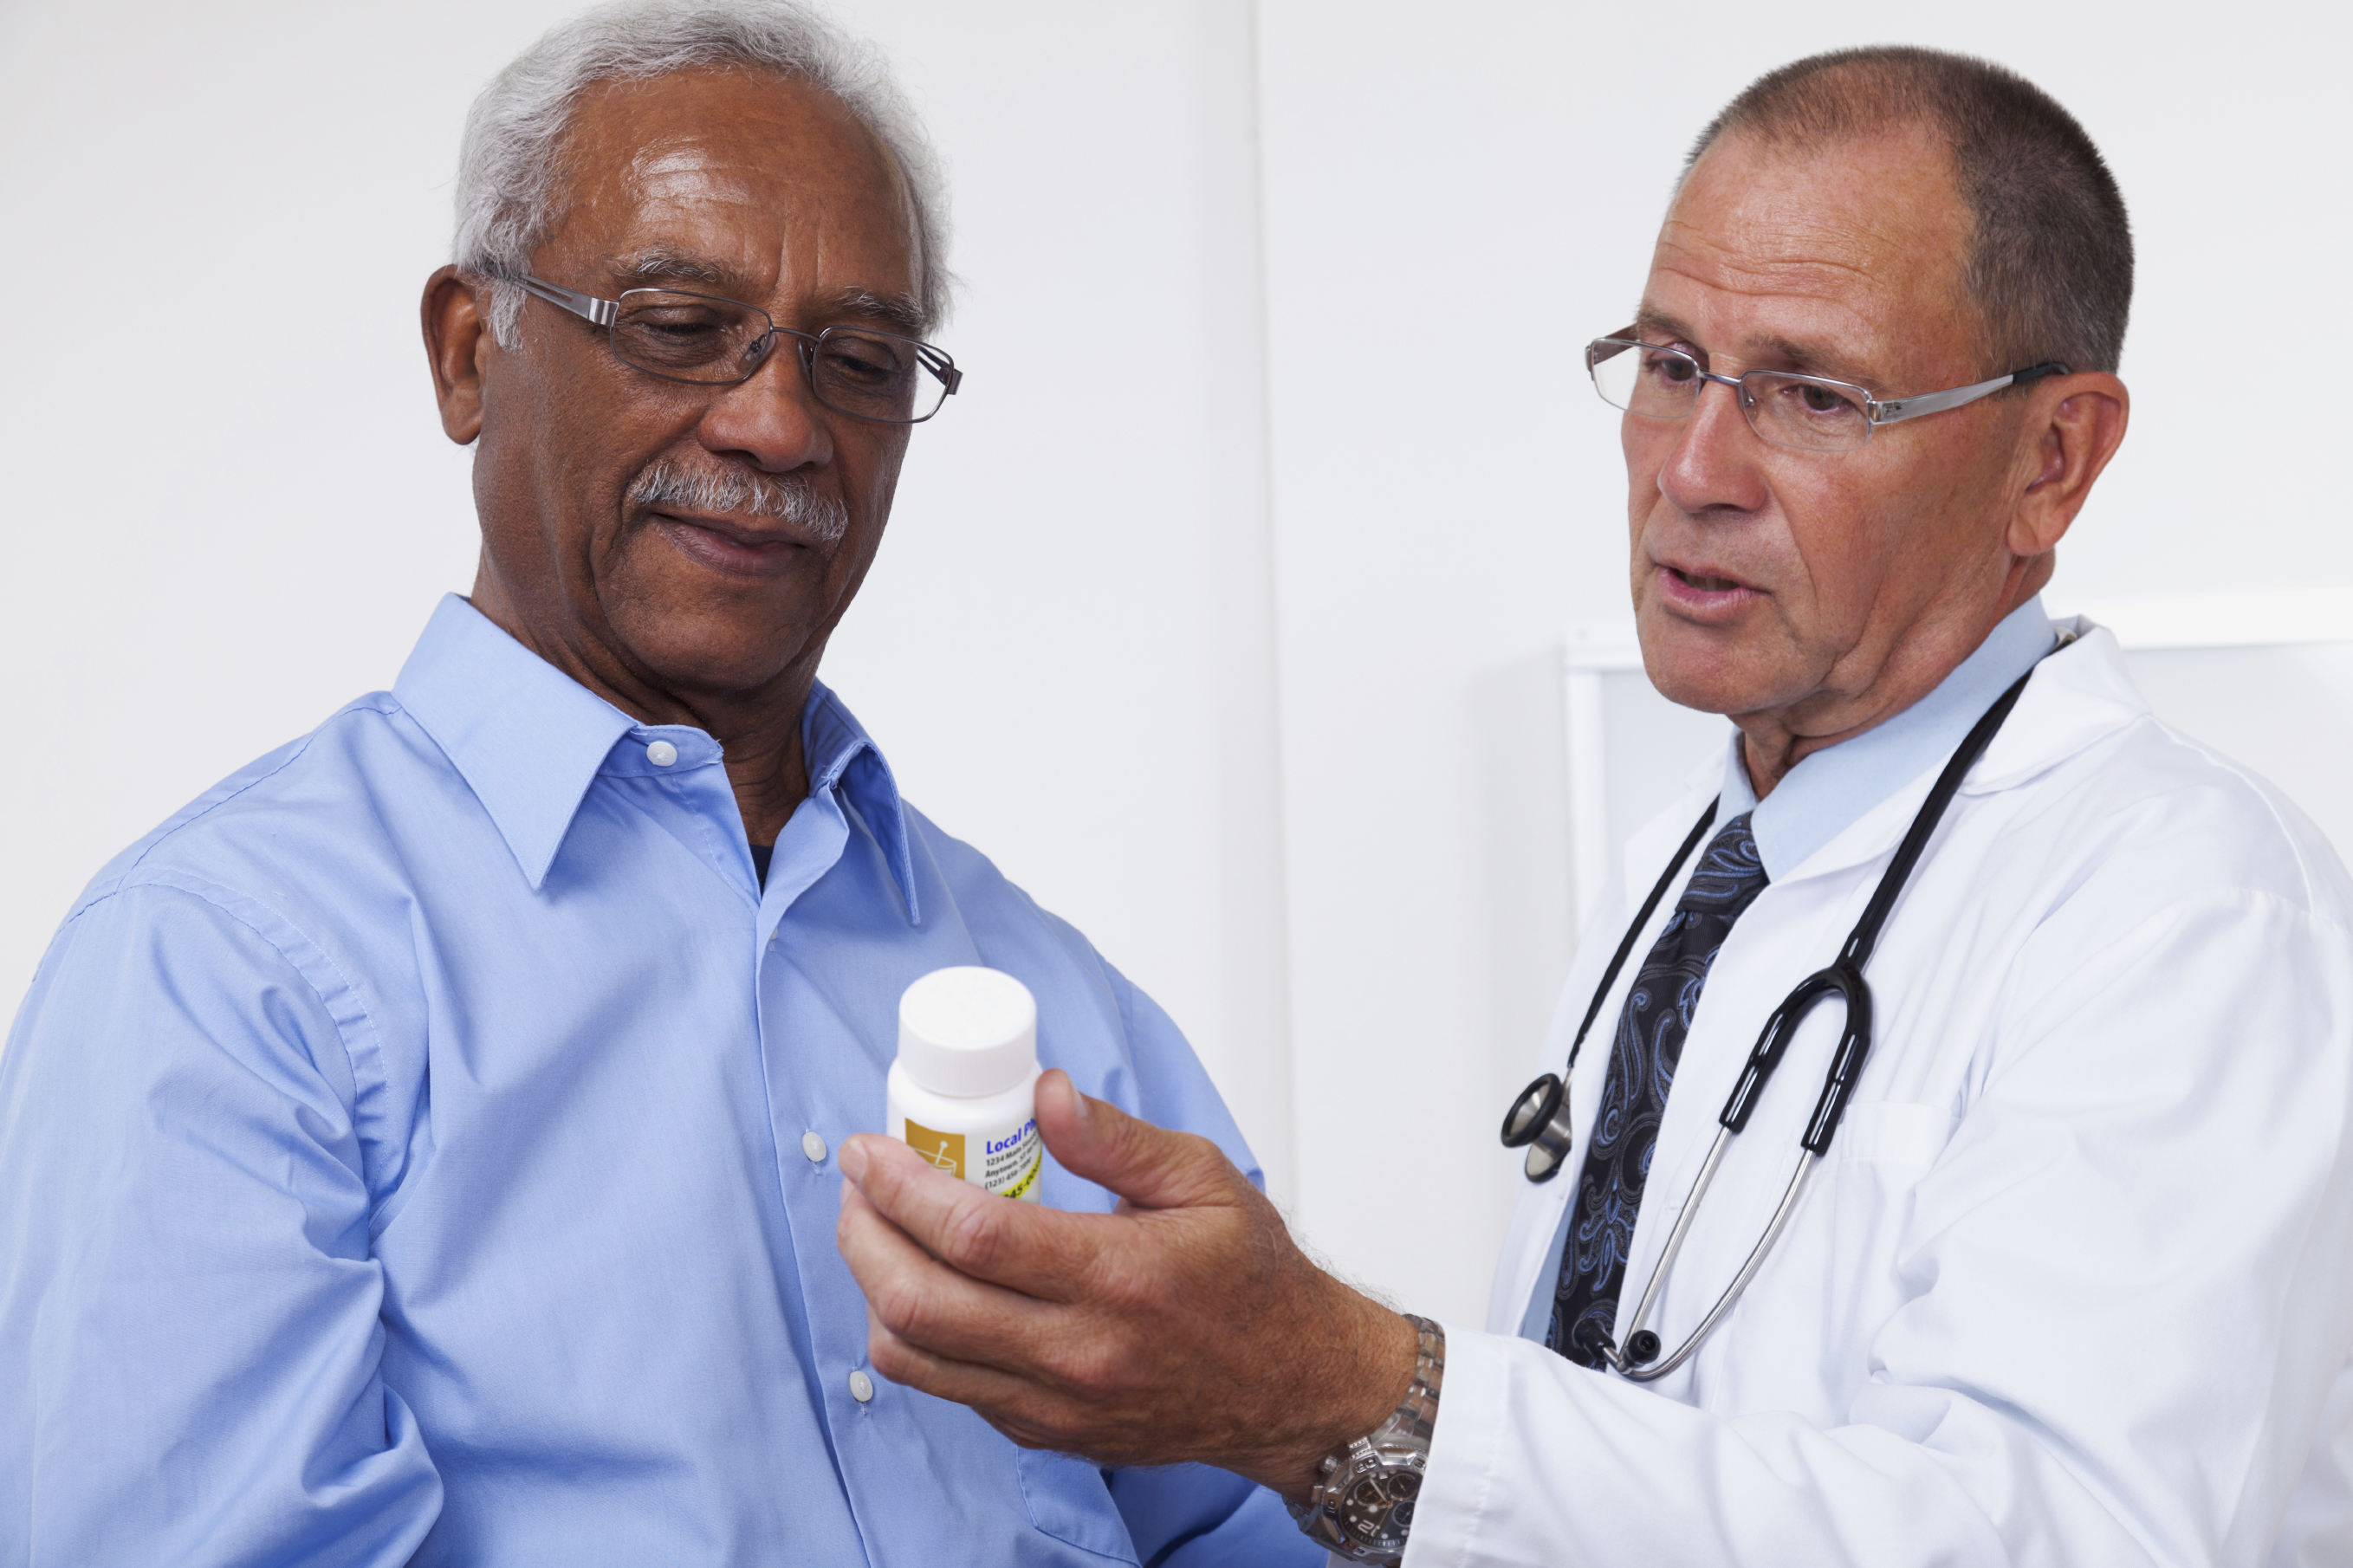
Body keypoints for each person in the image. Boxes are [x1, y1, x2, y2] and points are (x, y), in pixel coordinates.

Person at [836, 45, 2353, 1567]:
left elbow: (2067, 1539)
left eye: (1814, 394)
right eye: (1674, 364)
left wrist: (1350, 1390)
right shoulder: (1689, 870)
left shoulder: (2192, 912)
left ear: (2053, 458)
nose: (1692, 469)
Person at [0, 3, 1319, 1563]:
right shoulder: (225, 972)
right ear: (467, 351)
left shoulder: (1053, 1000)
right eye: (679, 325)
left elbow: (1269, 1503)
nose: (777, 422)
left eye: (860, 359)